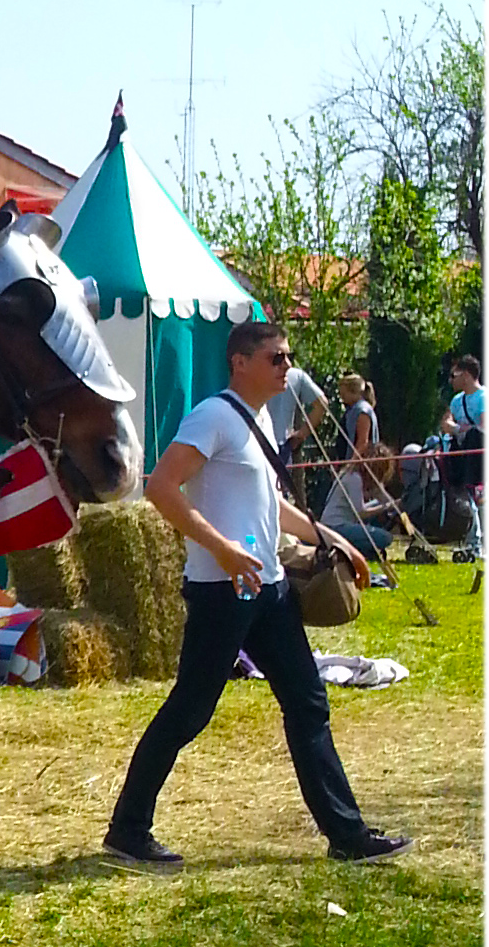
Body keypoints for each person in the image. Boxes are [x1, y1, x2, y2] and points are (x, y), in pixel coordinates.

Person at [102, 318, 408, 869]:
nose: (287, 367)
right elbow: (161, 488)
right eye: (276, 358)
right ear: (239, 362)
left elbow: (273, 507)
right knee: (190, 711)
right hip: (222, 591)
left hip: (269, 589)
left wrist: (335, 540)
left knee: (308, 702)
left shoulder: (262, 418)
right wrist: (222, 549)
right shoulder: (212, 417)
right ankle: (128, 830)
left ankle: (347, 834)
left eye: (287, 357)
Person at [321, 374, 399, 562]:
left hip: (355, 468)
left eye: (342, 392)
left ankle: (365, 547)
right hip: (337, 526)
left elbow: (362, 441)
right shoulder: (353, 477)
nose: (341, 396)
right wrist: (386, 505)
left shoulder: (360, 410)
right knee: (384, 537)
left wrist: (389, 502)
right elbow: (360, 512)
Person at [436, 352, 483, 559]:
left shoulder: (483, 398)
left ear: (466, 375)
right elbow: (446, 423)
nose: (451, 380)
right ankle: (473, 542)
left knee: (478, 499)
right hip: (461, 458)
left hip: (478, 457)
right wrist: (459, 429)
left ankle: (476, 544)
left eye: (454, 375)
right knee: (467, 497)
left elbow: (483, 428)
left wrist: (458, 428)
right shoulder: (457, 401)